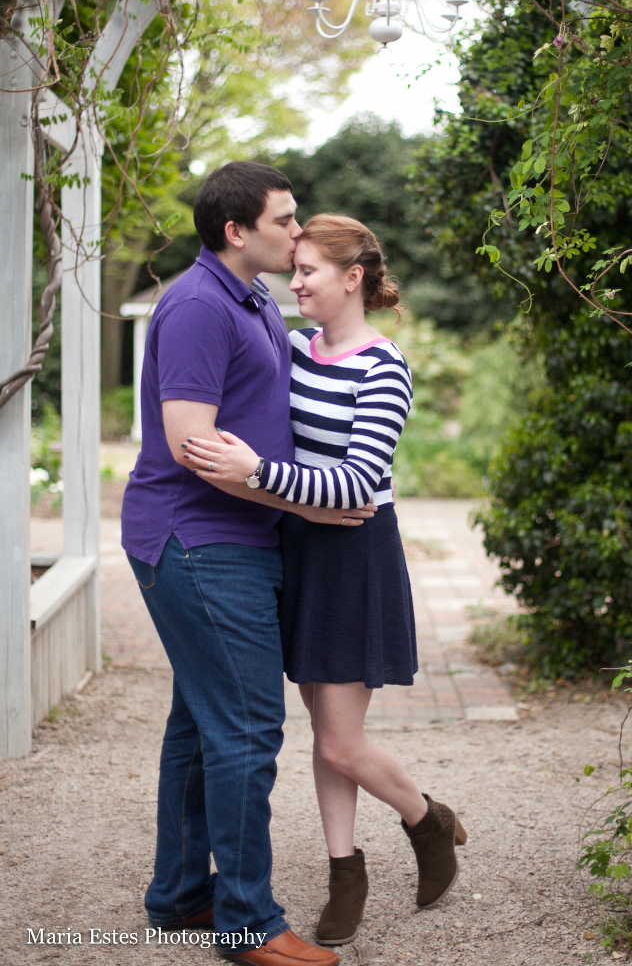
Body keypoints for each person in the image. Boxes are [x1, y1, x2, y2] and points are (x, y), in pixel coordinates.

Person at [182, 214, 467, 950]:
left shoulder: (384, 366)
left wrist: (256, 473)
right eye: (294, 267)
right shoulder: (299, 347)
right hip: (298, 544)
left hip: (352, 555)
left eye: (308, 270)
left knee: (342, 743)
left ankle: (425, 819)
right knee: (326, 730)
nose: (294, 280)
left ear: (353, 278)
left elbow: (358, 482)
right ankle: (346, 870)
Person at [121, 164, 378, 966]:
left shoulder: (254, 300)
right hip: (200, 541)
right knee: (245, 728)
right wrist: (306, 504)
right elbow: (191, 444)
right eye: (285, 221)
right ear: (237, 231)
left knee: (200, 725)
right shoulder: (199, 305)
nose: (298, 235)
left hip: (234, 538)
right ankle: (246, 923)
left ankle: (179, 895)